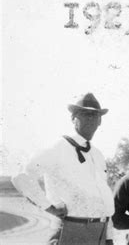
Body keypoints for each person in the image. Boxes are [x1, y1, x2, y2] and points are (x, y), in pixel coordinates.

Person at [11, 93, 114, 244]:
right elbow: (21, 176)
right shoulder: (58, 147)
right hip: (70, 229)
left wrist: (109, 237)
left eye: (95, 115)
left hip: (99, 231)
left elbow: (104, 198)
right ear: (73, 118)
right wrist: (49, 207)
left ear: (100, 121)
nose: (91, 118)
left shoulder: (97, 154)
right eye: (85, 114)